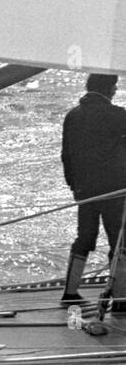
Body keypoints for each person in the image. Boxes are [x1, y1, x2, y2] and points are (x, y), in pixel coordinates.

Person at [60, 72, 126, 306]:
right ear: (108, 88)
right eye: (115, 86)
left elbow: (66, 155)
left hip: (85, 190)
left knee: (85, 238)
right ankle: (120, 298)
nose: (116, 91)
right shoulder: (119, 116)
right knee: (119, 241)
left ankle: (69, 292)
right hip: (115, 190)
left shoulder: (73, 116)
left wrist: (74, 185)